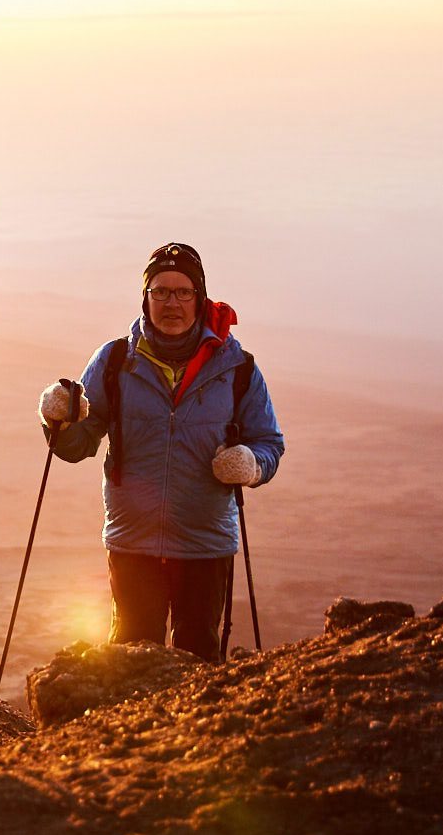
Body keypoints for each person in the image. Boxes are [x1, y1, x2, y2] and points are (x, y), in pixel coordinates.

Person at [38, 242, 283, 660]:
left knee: (199, 653)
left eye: (183, 292)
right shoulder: (115, 360)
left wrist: (250, 465)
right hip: (133, 542)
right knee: (131, 654)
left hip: (205, 544)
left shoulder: (237, 367)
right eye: (160, 291)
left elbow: (269, 445)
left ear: (200, 298)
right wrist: (58, 421)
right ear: (146, 298)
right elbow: (79, 445)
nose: (172, 303)